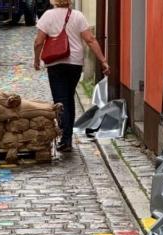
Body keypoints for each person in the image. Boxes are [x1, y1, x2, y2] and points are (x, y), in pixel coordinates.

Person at [33, 0, 110, 152]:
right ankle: (67, 138)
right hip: (75, 63)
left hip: (55, 63)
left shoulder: (48, 16)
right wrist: (103, 60)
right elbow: (90, 39)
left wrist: (37, 59)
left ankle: (65, 138)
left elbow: (38, 42)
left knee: (60, 101)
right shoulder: (78, 15)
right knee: (69, 98)